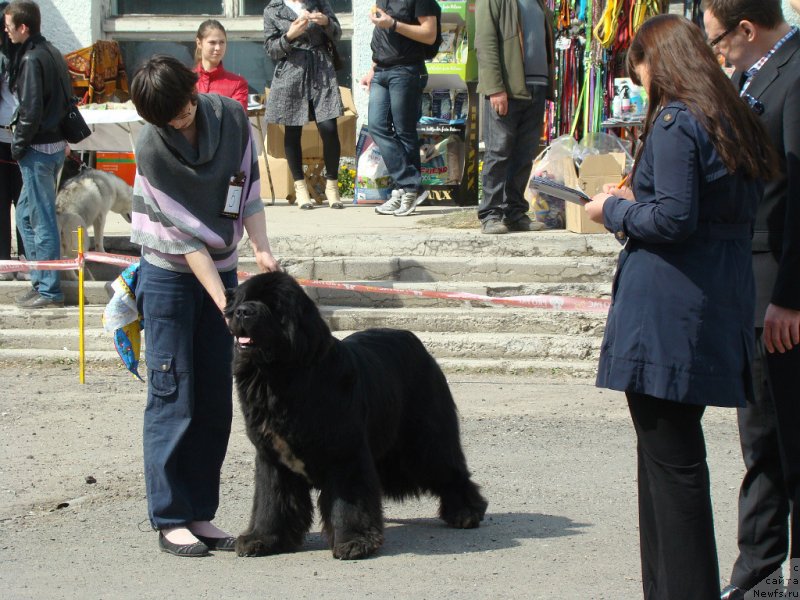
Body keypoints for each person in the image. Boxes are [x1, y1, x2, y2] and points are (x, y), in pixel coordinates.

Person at [585, 14, 777, 599]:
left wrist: (609, 211)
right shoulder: (734, 114)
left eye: (639, 69)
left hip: (666, 313)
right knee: (668, 467)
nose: (639, 84)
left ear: (659, 61)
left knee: (673, 473)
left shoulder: (676, 119)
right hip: (711, 303)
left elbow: (672, 218)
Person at [129, 55, 280, 557]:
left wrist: (261, 250)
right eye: (168, 118)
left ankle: (199, 512)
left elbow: (248, 194)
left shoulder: (232, 120)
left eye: (182, 109)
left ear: (192, 91)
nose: (179, 121)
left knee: (216, 393)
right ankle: (171, 517)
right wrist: (225, 301)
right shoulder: (150, 146)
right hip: (170, 273)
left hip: (225, 263)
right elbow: (184, 239)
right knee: (174, 393)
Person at [701, 1, 800, 598]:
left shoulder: (796, 72)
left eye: (718, 42)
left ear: (746, 28)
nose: (717, 55)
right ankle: (759, 576)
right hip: (749, 279)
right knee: (759, 434)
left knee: (786, 438)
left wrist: (790, 297)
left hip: (778, 286)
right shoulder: (753, 73)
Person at [4, 0, 67, 307]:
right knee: (28, 215)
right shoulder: (51, 51)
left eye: (9, 25)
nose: (5, 30)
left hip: (37, 150)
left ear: (23, 27)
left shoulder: (31, 59)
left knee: (40, 219)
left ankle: (50, 289)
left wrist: (18, 146)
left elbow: (30, 110)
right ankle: (39, 279)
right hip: (52, 147)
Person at [474, 0, 554, 235]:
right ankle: (491, 214)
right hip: (507, 88)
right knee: (499, 152)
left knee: (524, 154)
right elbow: (485, 42)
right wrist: (495, 88)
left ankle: (515, 212)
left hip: (536, 86)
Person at [263, 0, 344, 210]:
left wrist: (326, 22)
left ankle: (332, 186)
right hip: (292, 70)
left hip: (321, 69)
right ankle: (300, 188)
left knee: (328, 127)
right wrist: (290, 35)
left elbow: (337, 34)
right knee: (292, 129)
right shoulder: (273, 10)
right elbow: (271, 50)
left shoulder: (320, 3)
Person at [361, 0, 437, 217]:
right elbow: (383, 37)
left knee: (404, 132)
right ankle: (411, 185)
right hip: (382, 70)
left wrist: (393, 23)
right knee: (377, 127)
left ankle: (405, 190)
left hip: (406, 69)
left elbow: (429, 34)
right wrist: (372, 68)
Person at [0, 0, 22, 281]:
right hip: (3, 138)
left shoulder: (29, 55)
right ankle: (5, 261)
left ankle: (27, 261)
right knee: (3, 201)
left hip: (26, 140)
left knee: (25, 203)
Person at [194, 19, 249, 113]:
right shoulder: (185, 81)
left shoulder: (237, 83)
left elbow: (236, 119)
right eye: (212, 42)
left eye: (222, 42)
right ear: (199, 43)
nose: (218, 48)